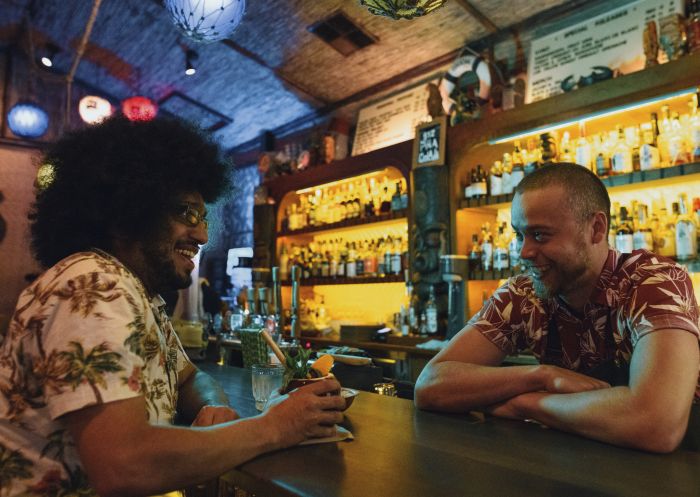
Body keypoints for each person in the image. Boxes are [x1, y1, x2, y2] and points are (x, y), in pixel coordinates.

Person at [0, 116, 344, 497]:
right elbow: (123, 464)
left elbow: (189, 377)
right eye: (186, 213)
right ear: (130, 208)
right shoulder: (93, 284)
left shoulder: (139, 293)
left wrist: (212, 407)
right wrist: (276, 427)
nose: (202, 235)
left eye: (203, 216)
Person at [415, 162, 700, 453]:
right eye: (519, 235)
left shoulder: (653, 282)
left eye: (540, 235)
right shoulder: (523, 294)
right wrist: (542, 376)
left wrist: (528, 404)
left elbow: (655, 424)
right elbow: (430, 385)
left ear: (596, 229)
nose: (524, 252)